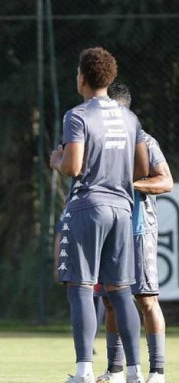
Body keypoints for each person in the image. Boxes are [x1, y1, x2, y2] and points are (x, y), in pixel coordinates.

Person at [49, 48, 149, 383]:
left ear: (82, 77)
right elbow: (142, 168)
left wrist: (57, 160)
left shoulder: (77, 116)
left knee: (80, 286)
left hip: (88, 206)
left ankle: (84, 371)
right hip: (122, 209)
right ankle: (135, 372)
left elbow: (73, 166)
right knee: (121, 291)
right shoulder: (129, 118)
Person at [95, 83, 172, 383]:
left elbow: (165, 182)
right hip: (108, 230)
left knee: (147, 299)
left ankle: (157, 371)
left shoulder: (144, 141)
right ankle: (115, 370)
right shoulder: (99, 141)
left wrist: (129, 185)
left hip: (139, 229)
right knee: (110, 300)